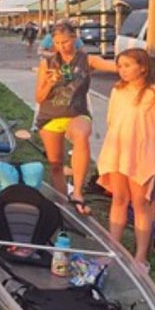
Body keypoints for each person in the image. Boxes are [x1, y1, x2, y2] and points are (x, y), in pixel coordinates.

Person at [97, 49, 155, 269]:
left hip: (143, 155)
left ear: (143, 67)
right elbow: (112, 120)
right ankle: (113, 249)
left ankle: (140, 256)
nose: (122, 70)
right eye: (119, 66)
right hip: (118, 151)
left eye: (128, 65)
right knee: (119, 199)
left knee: (141, 203)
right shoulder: (117, 91)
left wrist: (151, 147)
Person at [35, 21, 117, 214]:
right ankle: (63, 206)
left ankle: (78, 193)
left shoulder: (87, 60)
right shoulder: (47, 63)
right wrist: (48, 83)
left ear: (74, 38)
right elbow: (39, 97)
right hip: (50, 116)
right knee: (56, 165)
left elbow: (115, 67)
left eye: (65, 41)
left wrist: (137, 65)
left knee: (81, 135)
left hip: (76, 113)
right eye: (57, 43)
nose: (62, 47)